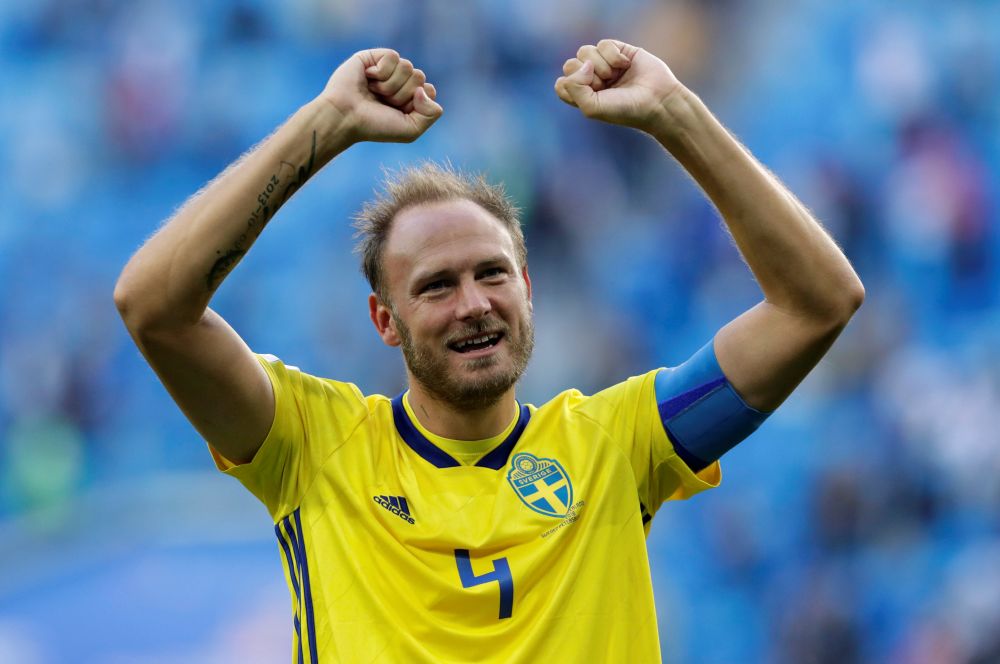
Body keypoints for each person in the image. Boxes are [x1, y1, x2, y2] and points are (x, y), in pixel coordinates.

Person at [114, 39, 864, 663]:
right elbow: (153, 308)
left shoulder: (619, 445)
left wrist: (676, 115)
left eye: (493, 273)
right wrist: (327, 122)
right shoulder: (312, 447)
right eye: (436, 286)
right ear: (385, 321)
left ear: (528, 287)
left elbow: (817, 305)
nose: (474, 303)